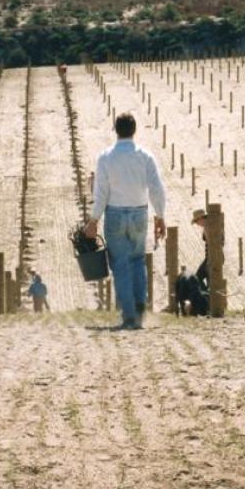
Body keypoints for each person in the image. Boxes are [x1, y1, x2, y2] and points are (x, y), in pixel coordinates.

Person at [85, 113, 166, 329]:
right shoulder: (145, 156)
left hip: (115, 214)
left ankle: (128, 315)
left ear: (115, 130)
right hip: (140, 213)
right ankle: (140, 307)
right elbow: (157, 189)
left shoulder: (105, 158)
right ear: (134, 130)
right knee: (138, 260)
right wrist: (160, 216)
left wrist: (93, 220)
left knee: (120, 265)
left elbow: (101, 192)